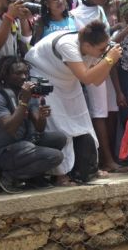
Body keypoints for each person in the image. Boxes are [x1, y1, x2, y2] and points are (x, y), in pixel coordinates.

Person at [25, 20, 122, 185]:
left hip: (69, 80)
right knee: (59, 125)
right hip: (45, 78)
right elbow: (85, 77)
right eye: (100, 49)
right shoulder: (67, 45)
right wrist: (110, 60)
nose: (103, 52)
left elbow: (96, 81)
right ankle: (60, 175)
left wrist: (108, 59)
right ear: (87, 45)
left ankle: (90, 167)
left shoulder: (92, 50)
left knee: (82, 122)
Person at [0, 57, 66, 192]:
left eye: (25, 73)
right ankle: (7, 177)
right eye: (17, 73)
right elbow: (10, 128)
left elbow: (39, 128)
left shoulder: (27, 93)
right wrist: (24, 102)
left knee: (59, 138)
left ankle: (33, 177)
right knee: (55, 156)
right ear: (5, 75)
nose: (23, 77)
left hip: (23, 145)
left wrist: (41, 117)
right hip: (4, 152)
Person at [71, 0, 122, 173]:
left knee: (111, 110)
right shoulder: (75, 15)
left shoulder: (100, 10)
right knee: (99, 112)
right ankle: (105, 159)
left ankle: (111, 156)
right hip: (92, 66)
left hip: (107, 64)